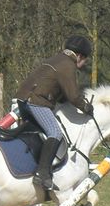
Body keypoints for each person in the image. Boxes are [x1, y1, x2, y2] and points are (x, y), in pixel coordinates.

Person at [15, 35, 95, 191]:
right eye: (85, 60)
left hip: (22, 100)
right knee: (55, 133)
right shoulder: (68, 64)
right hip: (36, 102)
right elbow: (73, 96)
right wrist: (86, 107)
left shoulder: (56, 59)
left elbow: (62, 93)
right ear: (80, 56)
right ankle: (42, 174)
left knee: (37, 135)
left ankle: (31, 166)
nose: (84, 64)